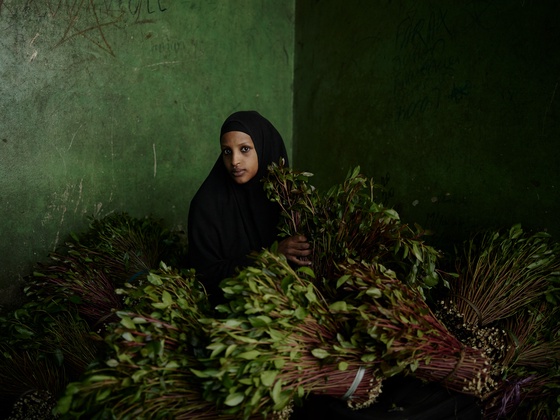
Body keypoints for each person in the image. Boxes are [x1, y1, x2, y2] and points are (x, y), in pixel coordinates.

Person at [187, 110, 312, 306]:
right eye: (227, 151)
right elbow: (204, 277)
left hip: (288, 305)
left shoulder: (290, 201)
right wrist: (271, 256)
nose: (234, 161)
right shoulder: (206, 205)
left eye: (244, 149)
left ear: (263, 148)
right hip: (231, 313)